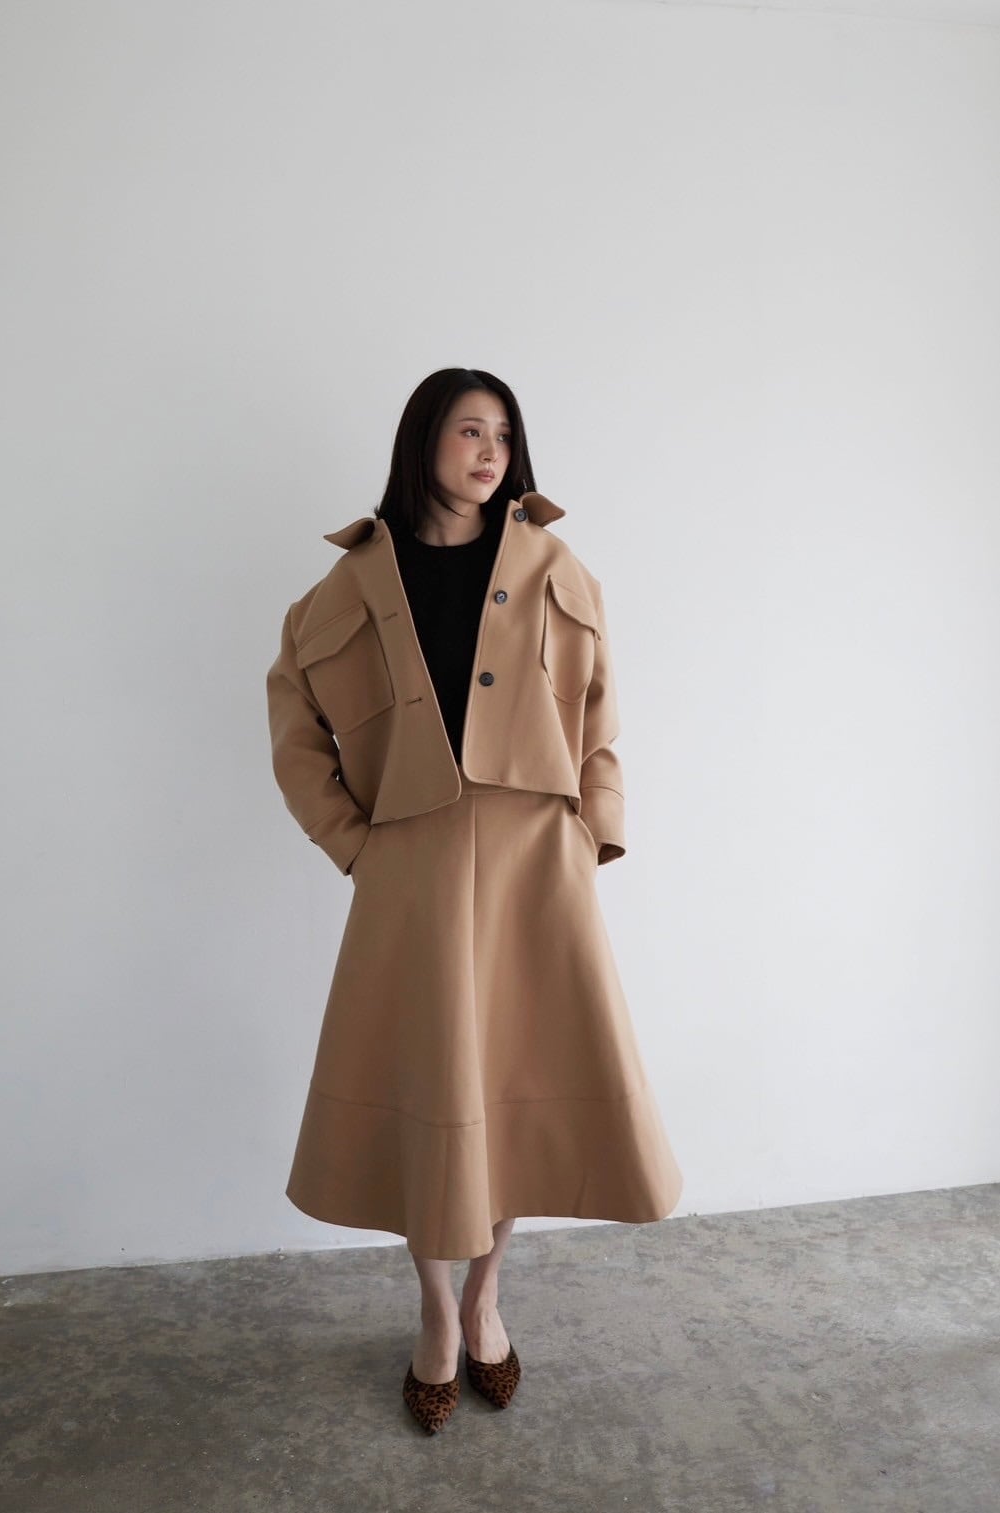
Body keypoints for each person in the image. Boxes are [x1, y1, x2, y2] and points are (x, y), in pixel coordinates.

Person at [265, 368, 683, 1434]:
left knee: (514, 1085)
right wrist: (355, 847)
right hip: (412, 864)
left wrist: (592, 831)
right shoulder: (347, 587)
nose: (489, 451)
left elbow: (599, 718)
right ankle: (434, 1310)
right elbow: (296, 735)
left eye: (503, 433)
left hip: (537, 862)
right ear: (424, 442)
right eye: (467, 430)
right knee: (434, 1082)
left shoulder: (554, 567)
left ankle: (487, 1301)